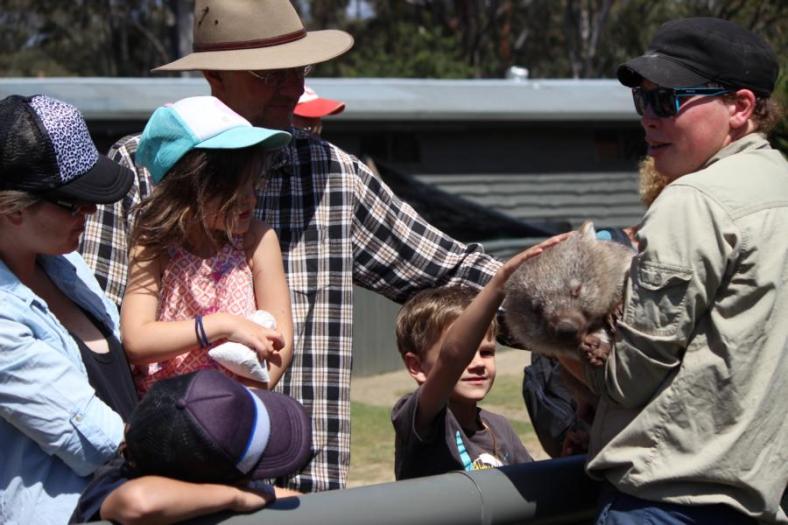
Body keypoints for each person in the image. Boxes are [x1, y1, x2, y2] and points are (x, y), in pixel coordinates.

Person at [79, 0, 502, 491]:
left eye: (298, 70)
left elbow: (448, 271)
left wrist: (575, 299)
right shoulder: (138, 172)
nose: (296, 88)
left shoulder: (330, 174)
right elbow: (101, 343)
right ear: (215, 75)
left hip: (302, 492)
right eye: (270, 74)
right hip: (169, 484)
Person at [561, 17, 788, 524]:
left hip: (665, 500)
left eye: (666, 100)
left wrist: (558, 334)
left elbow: (626, 380)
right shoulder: (779, 184)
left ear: (741, 107)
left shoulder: (692, 200)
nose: (648, 118)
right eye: (642, 100)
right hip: (756, 498)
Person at [0, 94, 136, 524]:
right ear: (11, 208)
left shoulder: (65, 263)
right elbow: (98, 440)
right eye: (72, 201)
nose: (91, 211)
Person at [119, 96, 294, 395]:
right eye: (232, 188)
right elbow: (136, 340)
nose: (250, 198)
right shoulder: (153, 245)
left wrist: (240, 403)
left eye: (253, 184)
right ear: (187, 187)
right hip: (167, 416)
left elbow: (282, 341)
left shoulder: (257, 241)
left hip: (238, 410)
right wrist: (221, 325)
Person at [391, 237, 566, 480]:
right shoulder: (419, 420)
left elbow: (532, 485)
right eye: (466, 355)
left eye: (486, 352)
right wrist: (500, 283)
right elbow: (452, 359)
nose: (477, 364)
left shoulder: (500, 427)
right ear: (416, 366)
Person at [70, 369, 309, 524]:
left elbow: (285, 500)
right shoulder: (114, 481)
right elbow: (138, 501)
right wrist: (234, 497)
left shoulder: (187, 475)